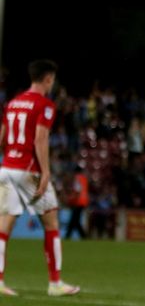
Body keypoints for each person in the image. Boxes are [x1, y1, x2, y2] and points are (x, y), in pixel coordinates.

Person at [0, 60, 80, 296]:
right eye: (52, 79)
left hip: (7, 168)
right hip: (29, 171)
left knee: (4, 227)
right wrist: (45, 172)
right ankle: (55, 283)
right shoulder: (45, 105)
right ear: (48, 79)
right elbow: (40, 139)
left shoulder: (13, 103)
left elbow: (2, 137)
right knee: (52, 223)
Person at [65, 163, 89, 240]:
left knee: (74, 220)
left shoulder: (77, 178)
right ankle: (82, 237)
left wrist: (72, 198)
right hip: (84, 201)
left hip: (78, 201)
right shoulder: (84, 178)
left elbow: (77, 190)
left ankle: (68, 236)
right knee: (75, 220)